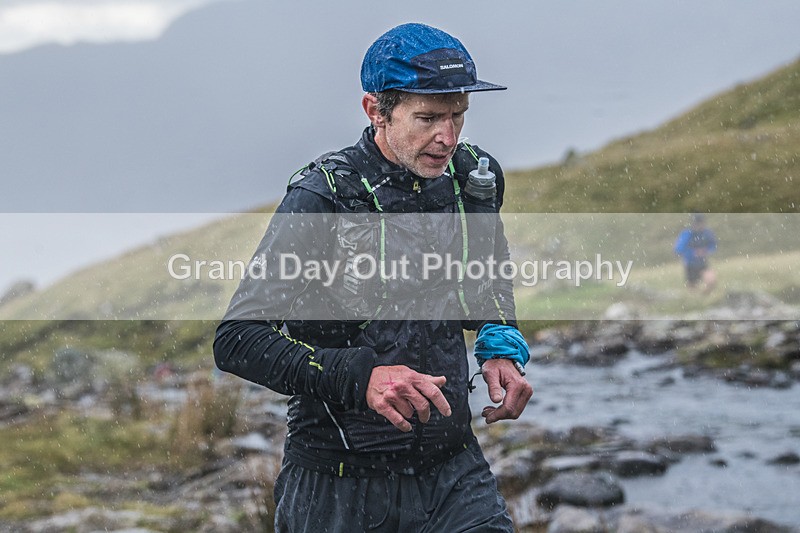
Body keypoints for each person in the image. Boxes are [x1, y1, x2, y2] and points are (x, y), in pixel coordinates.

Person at [214, 22, 533, 532]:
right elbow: (237, 341)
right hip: (338, 484)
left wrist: (500, 342)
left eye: (457, 117)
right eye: (427, 118)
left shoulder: (476, 178)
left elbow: (485, 278)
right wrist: (360, 377)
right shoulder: (324, 196)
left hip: (453, 473)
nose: (446, 138)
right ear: (374, 111)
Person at [674, 213, 717, 292]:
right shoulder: (687, 234)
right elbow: (678, 249)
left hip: (703, 263)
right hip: (690, 265)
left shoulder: (707, 233)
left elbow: (713, 245)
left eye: (701, 223)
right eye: (697, 223)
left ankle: (706, 297)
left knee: (711, 281)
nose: (699, 226)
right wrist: (693, 252)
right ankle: (696, 301)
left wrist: (706, 251)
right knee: (692, 289)